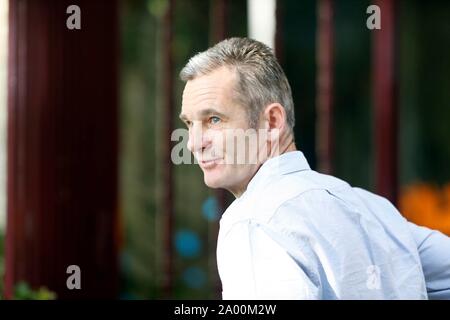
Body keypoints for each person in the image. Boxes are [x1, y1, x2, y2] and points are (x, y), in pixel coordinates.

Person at [178, 37, 450, 299]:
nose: (193, 143)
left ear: (271, 122)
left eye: (213, 119)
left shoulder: (253, 220)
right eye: (189, 123)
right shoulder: (372, 210)